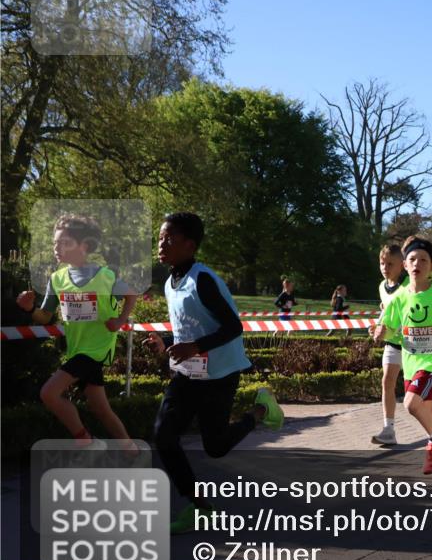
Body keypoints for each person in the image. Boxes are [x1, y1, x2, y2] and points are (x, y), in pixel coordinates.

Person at [146, 212, 284, 534]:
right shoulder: (170, 282)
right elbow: (187, 330)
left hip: (220, 372)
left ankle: (262, 409)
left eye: (170, 239)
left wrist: (194, 347)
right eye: (160, 238)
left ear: (190, 245)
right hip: (188, 373)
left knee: (216, 446)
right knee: (164, 435)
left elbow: (233, 327)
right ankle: (200, 507)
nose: (162, 244)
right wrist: (166, 342)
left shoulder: (202, 279)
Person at [16, 214, 138, 453]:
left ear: (85, 245)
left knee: (48, 393)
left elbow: (132, 294)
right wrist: (29, 308)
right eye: (55, 243)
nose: (57, 248)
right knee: (100, 409)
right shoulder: (57, 279)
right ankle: (131, 449)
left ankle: (85, 439)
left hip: (96, 349)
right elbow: (45, 317)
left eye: (64, 242)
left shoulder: (106, 276)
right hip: (77, 349)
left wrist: (120, 320)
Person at [374, 236, 432, 477]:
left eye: (423, 259)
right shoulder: (399, 297)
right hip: (411, 360)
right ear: (405, 265)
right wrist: (382, 331)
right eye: (412, 259)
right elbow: (390, 327)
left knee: (411, 404)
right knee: (428, 410)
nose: (417, 262)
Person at [369, 245, 408, 445]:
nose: (385, 267)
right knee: (387, 381)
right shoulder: (382, 287)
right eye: (382, 263)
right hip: (393, 344)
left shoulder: (411, 284)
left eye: (390, 264)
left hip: (413, 345)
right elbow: (386, 312)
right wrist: (377, 328)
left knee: (416, 396)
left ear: (401, 266)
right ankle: (388, 429)